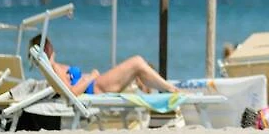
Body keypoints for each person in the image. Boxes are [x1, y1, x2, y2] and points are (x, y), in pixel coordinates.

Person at [28, 35, 178, 95]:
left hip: (96, 85)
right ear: (48, 48)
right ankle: (170, 89)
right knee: (137, 62)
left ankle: (166, 89)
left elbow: (69, 87)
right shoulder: (54, 68)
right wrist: (91, 76)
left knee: (138, 68)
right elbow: (72, 92)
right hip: (97, 87)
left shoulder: (53, 68)